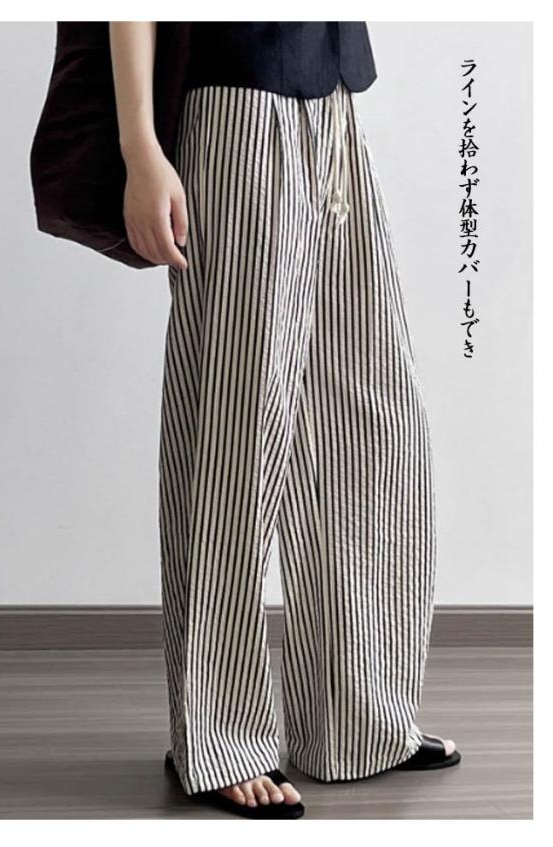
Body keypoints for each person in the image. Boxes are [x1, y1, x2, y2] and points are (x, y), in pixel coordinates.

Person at [109, 21, 461, 820]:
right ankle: (219, 739)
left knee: (369, 423)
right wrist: (140, 148)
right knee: (236, 432)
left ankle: (357, 715)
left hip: (331, 103)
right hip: (238, 110)